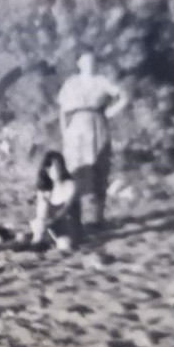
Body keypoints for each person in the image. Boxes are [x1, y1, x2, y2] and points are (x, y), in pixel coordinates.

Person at [57, 52, 128, 229]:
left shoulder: (101, 81)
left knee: (97, 167)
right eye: (86, 61)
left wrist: (111, 112)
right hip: (75, 128)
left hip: (97, 126)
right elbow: (62, 109)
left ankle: (96, 218)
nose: (90, 64)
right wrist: (64, 131)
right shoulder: (71, 83)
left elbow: (124, 96)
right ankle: (75, 217)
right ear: (79, 63)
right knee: (76, 168)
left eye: (93, 61)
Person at [29, 150, 82, 251]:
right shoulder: (45, 190)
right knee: (42, 207)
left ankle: (39, 242)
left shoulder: (71, 185)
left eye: (59, 166)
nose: (56, 170)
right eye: (53, 167)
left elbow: (65, 209)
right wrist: (40, 223)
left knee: (64, 245)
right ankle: (37, 241)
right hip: (51, 228)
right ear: (47, 169)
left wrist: (47, 222)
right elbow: (40, 213)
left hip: (70, 228)